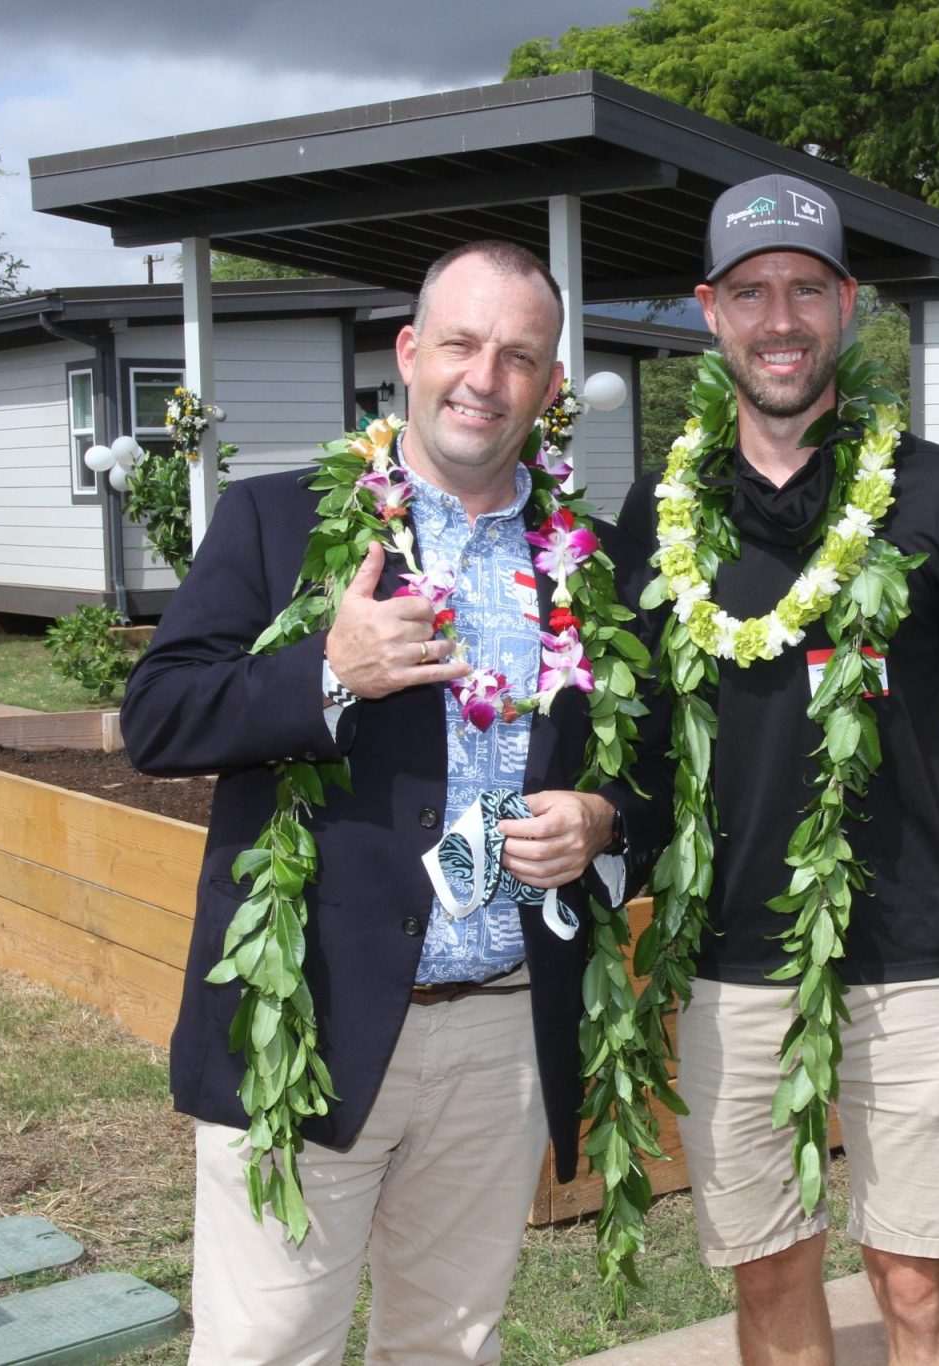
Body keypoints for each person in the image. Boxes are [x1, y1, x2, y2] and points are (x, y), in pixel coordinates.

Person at [122, 239, 664, 1365]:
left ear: (550, 388)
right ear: (409, 354)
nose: (485, 377)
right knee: (267, 1345)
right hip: (311, 1023)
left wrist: (606, 824)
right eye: (460, 343)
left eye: (519, 356)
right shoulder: (276, 522)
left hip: (503, 1030)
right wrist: (326, 670)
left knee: (449, 1344)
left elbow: (657, 777)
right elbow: (158, 718)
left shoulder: (598, 565)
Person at [618, 174, 939, 1366]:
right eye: (751, 291)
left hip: (909, 957)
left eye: (806, 289)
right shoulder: (656, 514)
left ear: (848, 305)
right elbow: (627, 739)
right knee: (768, 1284)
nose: (780, 318)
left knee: (914, 1286)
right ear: (708, 311)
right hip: (728, 961)